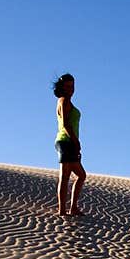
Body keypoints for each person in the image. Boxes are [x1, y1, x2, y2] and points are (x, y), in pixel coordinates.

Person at [52, 73, 86, 216]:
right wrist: (76, 141)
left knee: (74, 175)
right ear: (62, 87)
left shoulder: (65, 101)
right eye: (67, 86)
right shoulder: (64, 101)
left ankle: (70, 208)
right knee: (73, 176)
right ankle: (65, 210)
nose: (70, 89)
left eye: (72, 86)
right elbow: (66, 124)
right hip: (67, 141)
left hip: (66, 141)